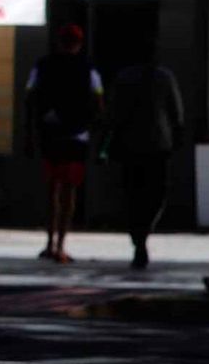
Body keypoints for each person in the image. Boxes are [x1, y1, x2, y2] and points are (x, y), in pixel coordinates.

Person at [25, 23, 102, 264]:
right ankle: (61, 243)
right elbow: (99, 101)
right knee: (69, 191)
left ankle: (50, 242)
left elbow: (29, 96)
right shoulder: (88, 68)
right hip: (77, 136)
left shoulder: (43, 65)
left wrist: (31, 130)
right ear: (79, 44)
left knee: (52, 190)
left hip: (51, 134)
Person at [102, 45, 184, 270]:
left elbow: (112, 113)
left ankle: (138, 234)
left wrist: (108, 140)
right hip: (157, 144)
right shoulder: (164, 77)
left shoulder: (125, 78)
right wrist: (177, 136)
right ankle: (142, 232)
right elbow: (176, 111)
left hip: (132, 144)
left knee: (133, 193)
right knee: (156, 193)